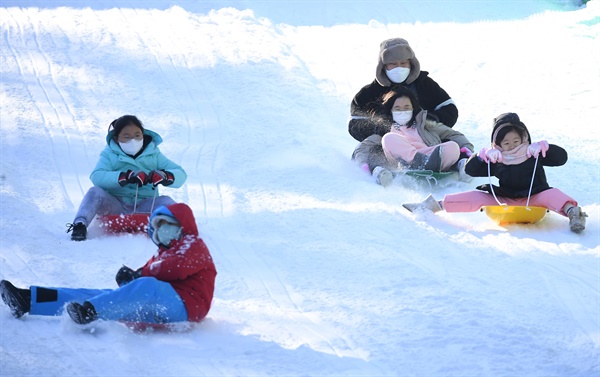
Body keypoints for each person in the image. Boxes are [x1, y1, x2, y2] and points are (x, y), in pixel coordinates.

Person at [1, 203, 217, 325]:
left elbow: (174, 269)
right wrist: (132, 280)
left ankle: (90, 312)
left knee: (146, 286)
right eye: (157, 226)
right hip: (164, 308)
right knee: (102, 295)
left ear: (182, 225)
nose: (161, 230)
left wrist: (139, 275)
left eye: (167, 224)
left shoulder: (193, 244)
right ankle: (29, 300)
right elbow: (152, 276)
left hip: (188, 307)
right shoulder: (163, 254)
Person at [402, 112, 588, 233]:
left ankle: (574, 214)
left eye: (517, 140)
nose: (512, 146)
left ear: (525, 137)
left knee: (552, 194)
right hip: (506, 199)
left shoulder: (534, 153)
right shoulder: (497, 158)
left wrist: (546, 148)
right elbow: (470, 170)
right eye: (506, 143)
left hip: (535, 197)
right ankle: (433, 205)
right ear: (497, 145)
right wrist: (482, 157)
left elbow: (561, 158)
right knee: (477, 196)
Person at [349, 37, 459, 184]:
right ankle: (390, 169)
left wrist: (428, 121)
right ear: (383, 66)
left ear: (411, 63)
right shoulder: (369, 93)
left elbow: (449, 108)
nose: (398, 68)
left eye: (403, 63)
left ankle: (434, 162)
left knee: (452, 145)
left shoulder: (424, 84)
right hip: (391, 147)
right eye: (393, 64)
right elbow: (355, 123)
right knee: (380, 147)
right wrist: (381, 127)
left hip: (424, 140)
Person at [66, 115, 187, 241]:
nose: (133, 141)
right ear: (117, 139)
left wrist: (165, 176)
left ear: (143, 135)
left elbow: (180, 173)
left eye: (137, 135)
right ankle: (80, 224)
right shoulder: (109, 154)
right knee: (94, 192)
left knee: (166, 201)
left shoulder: (153, 154)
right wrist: (124, 177)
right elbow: (97, 176)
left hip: (145, 206)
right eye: (126, 137)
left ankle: (177, 228)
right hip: (116, 206)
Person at [377, 87, 474, 185]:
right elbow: (364, 148)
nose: (402, 111)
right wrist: (370, 166)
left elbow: (454, 134)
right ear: (391, 110)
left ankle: (428, 163)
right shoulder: (384, 129)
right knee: (388, 138)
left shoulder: (425, 125)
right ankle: (418, 162)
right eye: (397, 109)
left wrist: (467, 150)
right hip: (405, 162)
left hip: (432, 158)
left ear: (413, 108)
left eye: (406, 108)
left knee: (453, 146)